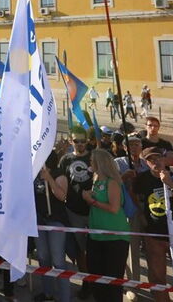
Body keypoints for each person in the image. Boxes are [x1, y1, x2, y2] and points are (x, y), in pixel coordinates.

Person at [133, 147, 173, 302]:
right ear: (146, 162)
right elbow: (132, 194)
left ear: (164, 159)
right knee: (158, 278)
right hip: (154, 234)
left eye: (158, 158)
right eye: (151, 159)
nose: (156, 162)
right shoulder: (141, 179)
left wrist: (171, 185)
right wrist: (141, 215)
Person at [83, 149, 130, 302]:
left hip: (115, 236)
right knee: (96, 277)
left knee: (113, 280)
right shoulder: (96, 180)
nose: (90, 163)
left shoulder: (112, 182)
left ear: (100, 163)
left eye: (92, 160)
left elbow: (114, 208)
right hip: (96, 235)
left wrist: (91, 201)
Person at [58, 127, 93, 299]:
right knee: (80, 251)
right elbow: (60, 181)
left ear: (87, 141)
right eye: (76, 141)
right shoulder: (65, 159)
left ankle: (98, 283)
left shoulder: (94, 157)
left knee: (95, 249)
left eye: (82, 141)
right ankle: (87, 283)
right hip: (74, 211)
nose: (79, 144)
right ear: (71, 141)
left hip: (94, 210)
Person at [35, 150, 71, 302]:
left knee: (58, 260)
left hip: (56, 221)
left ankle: (65, 298)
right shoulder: (36, 173)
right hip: (40, 221)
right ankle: (47, 293)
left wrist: (49, 178)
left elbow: (62, 196)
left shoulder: (59, 174)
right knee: (43, 258)